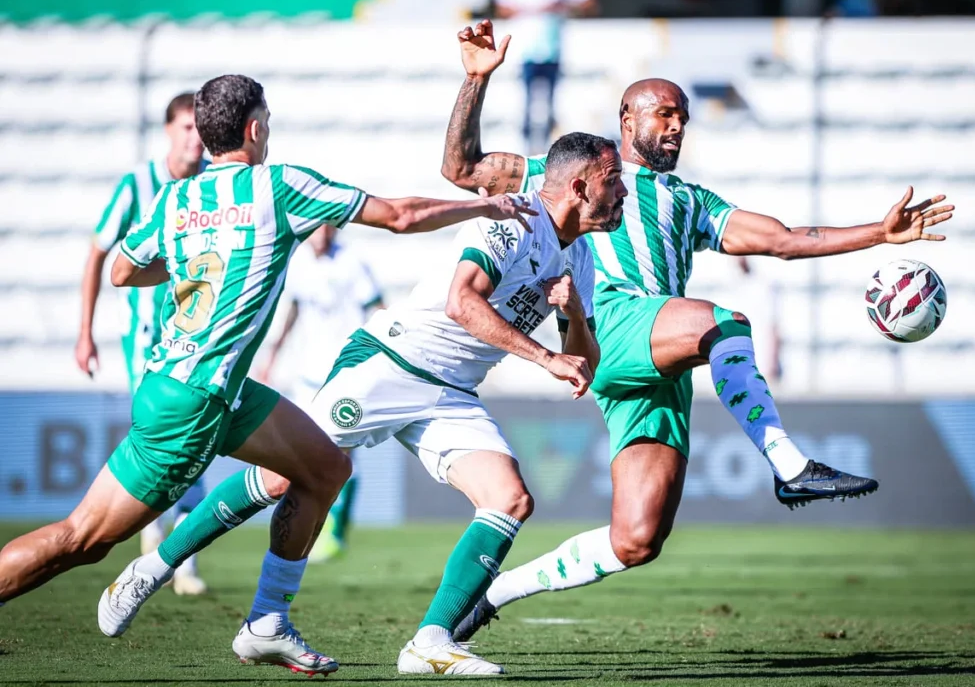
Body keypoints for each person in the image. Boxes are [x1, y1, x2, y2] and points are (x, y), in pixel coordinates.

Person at [0, 74, 534, 678]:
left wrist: (189, 264)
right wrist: (484, 203)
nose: (270, 131)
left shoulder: (176, 199)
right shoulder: (279, 186)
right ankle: (166, 575)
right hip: (192, 402)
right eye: (269, 121)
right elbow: (401, 215)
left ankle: (267, 624)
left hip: (202, 388)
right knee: (82, 540)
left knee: (326, 467)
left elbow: (123, 272)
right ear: (255, 129)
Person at [439, 21, 955, 640]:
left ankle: (492, 593)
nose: (677, 124)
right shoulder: (567, 170)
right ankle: (788, 463)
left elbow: (784, 241)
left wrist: (878, 233)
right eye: (663, 114)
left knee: (636, 539)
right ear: (627, 120)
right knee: (727, 322)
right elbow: (460, 167)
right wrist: (476, 79)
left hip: (657, 359)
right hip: (610, 323)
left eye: (682, 115)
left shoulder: (691, 199)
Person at [97, 131, 625, 676]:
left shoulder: (580, 258)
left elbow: (579, 361)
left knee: (510, 499)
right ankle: (153, 567)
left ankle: (428, 642)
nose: (624, 194)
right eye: (615, 181)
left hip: (451, 392)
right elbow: (460, 303)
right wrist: (544, 357)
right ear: (581, 186)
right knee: (281, 479)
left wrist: (578, 316)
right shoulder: (511, 222)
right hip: (391, 364)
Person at [76, 91, 211, 596]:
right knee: (169, 436)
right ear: (169, 131)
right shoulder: (138, 183)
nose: (195, 138)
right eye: (186, 128)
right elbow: (99, 253)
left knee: (196, 438)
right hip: (146, 338)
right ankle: (163, 543)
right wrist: (85, 332)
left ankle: (173, 547)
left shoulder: (209, 187)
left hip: (195, 337)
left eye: (201, 128)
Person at [257, 224, 385, 563]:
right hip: (306, 374)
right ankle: (309, 524)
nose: (323, 233)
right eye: (318, 227)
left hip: (344, 372)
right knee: (301, 453)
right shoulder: (298, 263)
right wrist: (273, 354)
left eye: (330, 227)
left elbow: (378, 308)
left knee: (340, 454)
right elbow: (294, 311)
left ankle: (335, 529)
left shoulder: (352, 262)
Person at [494, 0, 598, 150]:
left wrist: (562, 6)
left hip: (558, 46)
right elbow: (501, 7)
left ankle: (555, 153)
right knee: (523, 106)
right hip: (523, 48)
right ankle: (524, 152)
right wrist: (533, 8)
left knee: (556, 105)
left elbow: (590, 3)